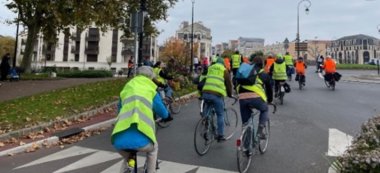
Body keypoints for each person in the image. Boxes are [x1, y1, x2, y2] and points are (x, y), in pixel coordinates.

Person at [111, 66, 173, 173]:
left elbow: (120, 109)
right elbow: (162, 111)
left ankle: (129, 164)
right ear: (151, 77)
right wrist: (167, 116)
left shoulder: (127, 86)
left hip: (119, 141)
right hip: (142, 143)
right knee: (154, 148)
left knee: (128, 157)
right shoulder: (151, 89)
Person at [238, 56, 273, 141]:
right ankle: (260, 131)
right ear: (262, 65)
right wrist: (270, 100)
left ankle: (246, 149)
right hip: (256, 98)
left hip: (242, 97)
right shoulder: (264, 75)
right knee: (264, 109)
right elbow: (269, 90)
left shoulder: (246, 73)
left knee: (246, 124)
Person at [202, 57, 233, 141]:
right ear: (223, 63)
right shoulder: (224, 70)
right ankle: (220, 135)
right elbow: (228, 84)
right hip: (216, 94)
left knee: (207, 107)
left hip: (205, 92)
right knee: (220, 114)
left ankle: (206, 122)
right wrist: (230, 94)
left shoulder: (210, 68)